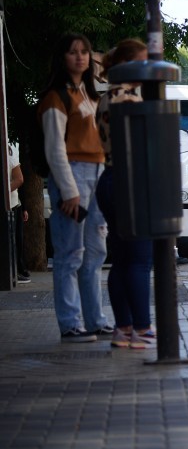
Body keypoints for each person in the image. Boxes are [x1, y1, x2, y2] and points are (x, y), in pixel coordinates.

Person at [39, 32, 111, 342]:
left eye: (85, 51)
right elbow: (55, 148)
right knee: (70, 254)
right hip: (72, 174)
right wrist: (69, 190)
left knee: (95, 252)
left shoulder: (91, 96)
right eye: (73, 51)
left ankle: (95, 320)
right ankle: (70, 324)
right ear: (62, 57)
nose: (81, 57)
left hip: (96, 173)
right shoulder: (56, 98)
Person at [95, 38, 154, 349]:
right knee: (139, 259)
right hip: (130, 181)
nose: (147, 69)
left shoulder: (106, 98)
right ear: (126, 65)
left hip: (109, 178)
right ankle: (142, 328)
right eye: (142, 62)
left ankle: (124, 327)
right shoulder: (129, 98)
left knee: (120, 260)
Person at [7, 143, 30, 283]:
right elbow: (20, 180)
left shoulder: (9, 151)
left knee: (15, 240)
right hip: (14, 202)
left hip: (14, 202)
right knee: (16, 240)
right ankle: (18, 270)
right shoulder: (10, 150)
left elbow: (20, 181)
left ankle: (18, 270)